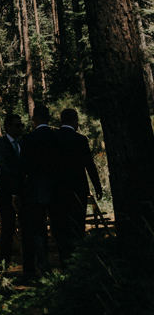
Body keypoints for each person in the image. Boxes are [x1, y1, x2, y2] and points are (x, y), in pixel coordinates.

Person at [52, 108, 103, 264]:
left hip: (57, 190)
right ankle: (78, 259)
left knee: (60, 226)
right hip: (77, 189)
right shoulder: (80, 139)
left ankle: (64, 259)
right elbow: (89, 164)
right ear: (74, 121)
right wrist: (97, 186)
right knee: (77, 224)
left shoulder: (53, 138)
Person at [18, 104, 60, 281]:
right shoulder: (57, 137)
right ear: (48, 118)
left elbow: (22, 168)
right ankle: (67, 265)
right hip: (57, 189)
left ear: (34, 119)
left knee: (38, 229)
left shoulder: (27, 140)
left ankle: (43, 266)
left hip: (34, 190)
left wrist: (18, 192)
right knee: (59, 228)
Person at [0, 113, 25, 268]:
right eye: (17, 125)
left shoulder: (24, 143)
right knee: (8, 229)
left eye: (22, 125)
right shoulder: (0, 145)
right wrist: (18, 179)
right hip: (6, 193)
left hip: (24, 193)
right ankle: (4, 264)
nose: (21, 128)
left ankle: (28, 264)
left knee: (27, 228)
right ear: (8, 127)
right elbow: (3, 168)